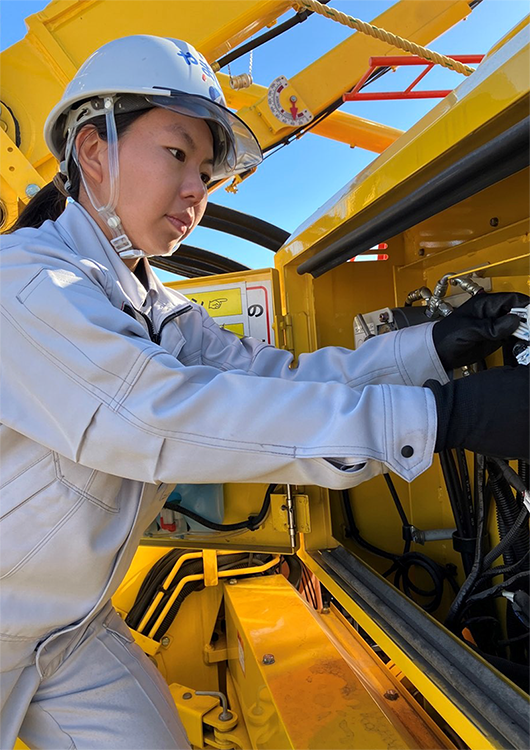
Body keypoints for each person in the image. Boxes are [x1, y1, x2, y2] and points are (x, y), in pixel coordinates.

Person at [0, 33, 529, 750]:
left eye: (208, 173)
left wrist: (428, 351)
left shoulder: (151, 307)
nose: (197, 191)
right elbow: (158, 420)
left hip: (70, 628)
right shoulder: (30, 283)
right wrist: (445, 417)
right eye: (178, 154)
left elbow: (275, 382)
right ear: (94, 152)